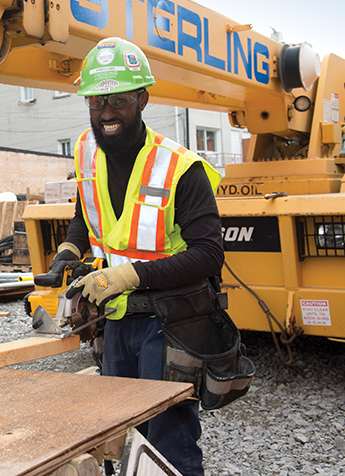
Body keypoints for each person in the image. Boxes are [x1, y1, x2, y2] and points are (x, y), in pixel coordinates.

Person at [47, 37, 224, 476]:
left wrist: (125, 277)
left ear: (142, 99)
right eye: (96, 101)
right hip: (115, 322)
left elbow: (209, 255)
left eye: (119, 101)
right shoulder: (89, 149)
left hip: (167, 323)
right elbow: (85, 211)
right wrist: (71, 247)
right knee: (117, 432)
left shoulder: (181, 167)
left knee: (167, 441)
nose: (106, 113)